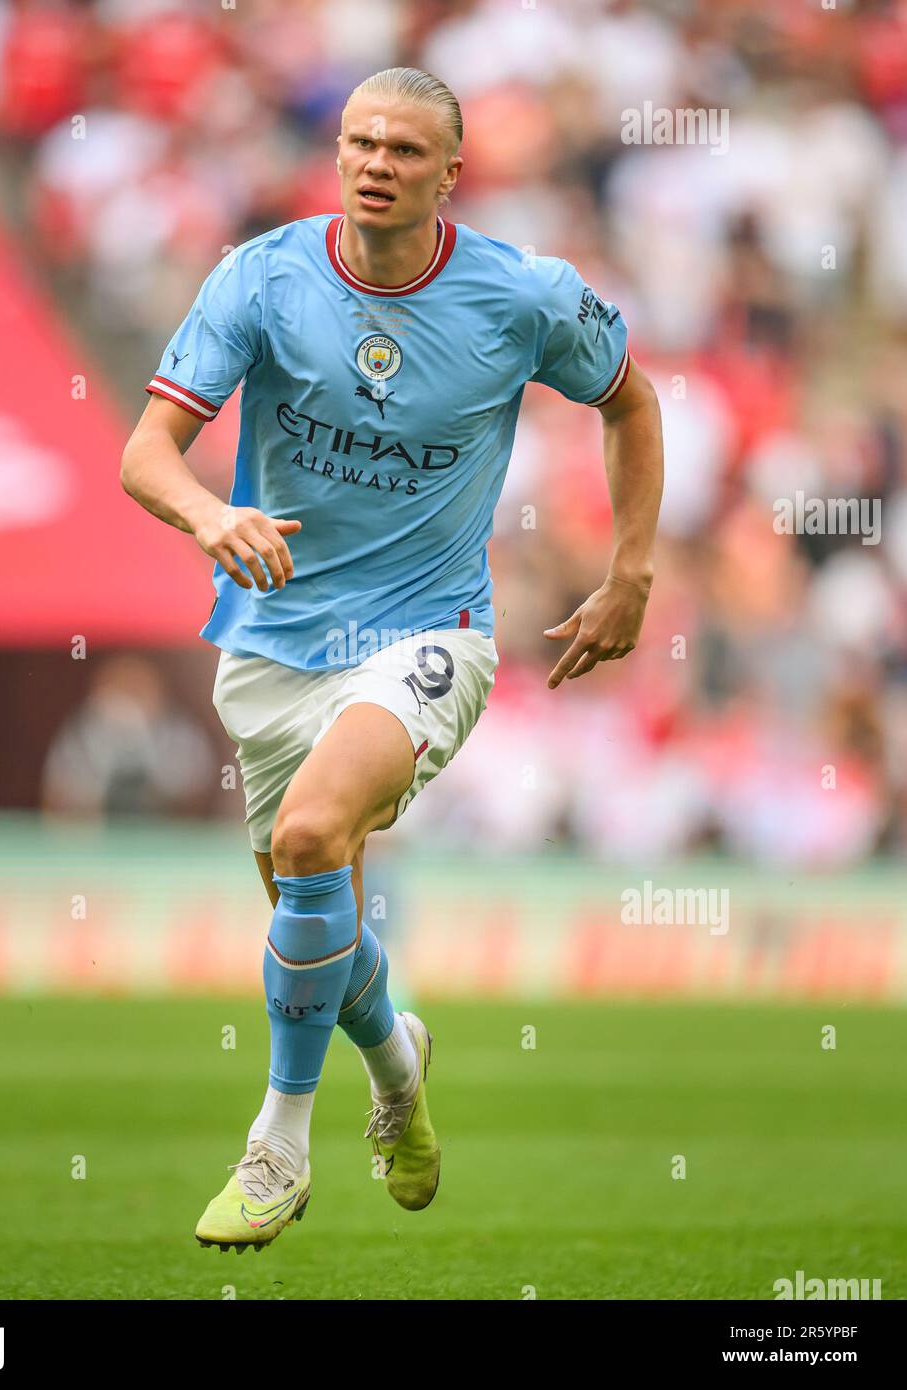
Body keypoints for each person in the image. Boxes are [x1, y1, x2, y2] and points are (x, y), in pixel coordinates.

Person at [120, 67, 663, 1252]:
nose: (376, 162)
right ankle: (395, 1059)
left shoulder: (521, 296)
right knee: (319, 922)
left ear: (448, 173)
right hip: (268, 634)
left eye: (406, 150)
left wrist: (628, 573)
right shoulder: (259, 275)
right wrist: (211, 518)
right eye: (360, 141)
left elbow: (631, 400)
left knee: (316, 839)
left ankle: (276, 1148)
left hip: (427, 632)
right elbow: (146, 451)